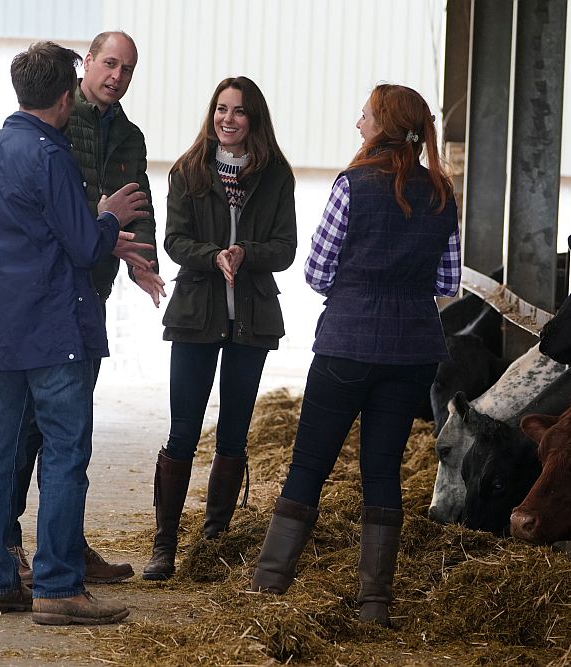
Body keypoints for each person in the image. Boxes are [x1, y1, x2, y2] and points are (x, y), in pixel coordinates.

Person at [250, 84, 461, 627]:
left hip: (347, 342)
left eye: (364, 115)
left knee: (309, 464)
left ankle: (269, 584)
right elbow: (447, 281)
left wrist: (358, 287)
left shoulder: (352, 185)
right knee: (383, 470)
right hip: (413, 350)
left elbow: (318, 271)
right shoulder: (442, 192)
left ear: (384, 124)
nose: (358, 123)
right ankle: (374, 603)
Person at [0, 40, 150, 625]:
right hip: (50, 330)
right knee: (65, 453)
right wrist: (110, 214)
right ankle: (58, 586)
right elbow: (86, 245)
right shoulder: (51, 156)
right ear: (66, 96)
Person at [7, 30, 166, 587]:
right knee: (31, 429)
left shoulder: (130, 136)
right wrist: (101, 221)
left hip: (88, 294)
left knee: (69, 430)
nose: (117, 77)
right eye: (109, 64)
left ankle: (65, 545)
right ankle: (11, 547)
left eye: (127, 69)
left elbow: (137, 203)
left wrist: (140, 259)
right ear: (89, 64)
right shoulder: (55, 117)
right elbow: (54, 206)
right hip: (46, 290)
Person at [142, 76, 297, 581]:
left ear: (255, 119)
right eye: (221, 109)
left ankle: (213, 544)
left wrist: (246, 255)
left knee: (234, 432)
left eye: (239, 111)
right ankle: (164, 548)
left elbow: (286, 247)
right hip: (195, 315)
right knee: (183, 430)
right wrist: (214, 257)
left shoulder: (276, 175)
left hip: (252, 318)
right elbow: (175, 240)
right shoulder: (189, 171)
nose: (228, 119)